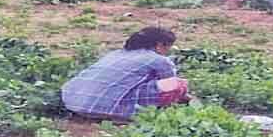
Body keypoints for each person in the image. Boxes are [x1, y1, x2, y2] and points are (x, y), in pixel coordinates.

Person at [61, 27, 189, 120]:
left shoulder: (115, 54)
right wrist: (190, 100)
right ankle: (131, 112)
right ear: (159, 45)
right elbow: (170, 83)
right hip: (105, 109)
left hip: (72, 103)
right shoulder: (158, 59)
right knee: (178, 85)